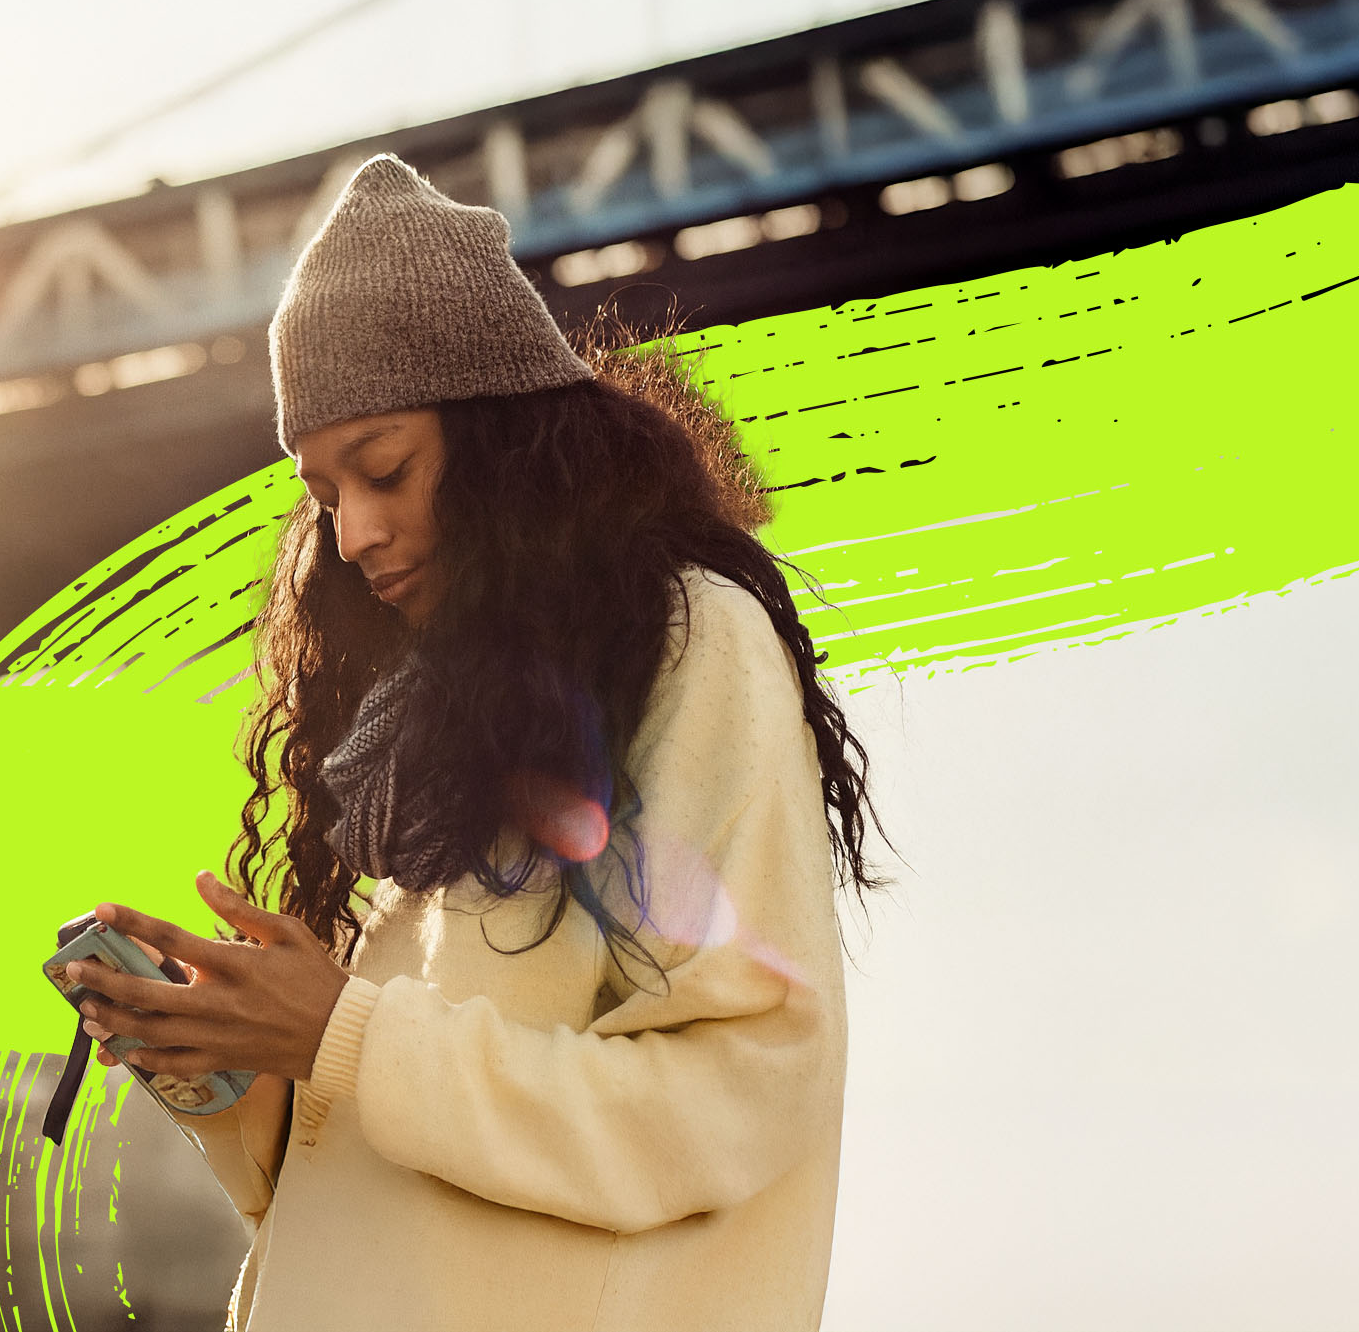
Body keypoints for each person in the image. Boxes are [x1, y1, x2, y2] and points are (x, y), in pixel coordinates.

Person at [64, 154, 886, 1332]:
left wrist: (339, 1032)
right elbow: (369, 1182)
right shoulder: (419, 750)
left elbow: (737, 1097)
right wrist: (224, 1063)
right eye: (323, 491)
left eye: (383, 468)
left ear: (500, 439)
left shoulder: (689, 638)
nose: (348, 533)